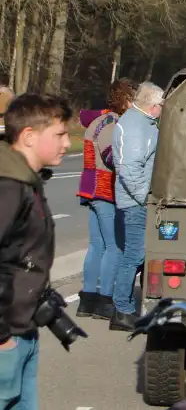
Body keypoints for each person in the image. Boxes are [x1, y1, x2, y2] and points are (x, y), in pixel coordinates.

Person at [0, 94, 72, 410]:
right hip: (7, 335)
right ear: (29, 137)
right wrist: (2, 338)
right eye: (59, 134)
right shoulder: (8, 186)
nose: (67, 143)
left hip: (23, 330)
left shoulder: (27, 181)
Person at [74, 78, 137, 321]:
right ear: (126, 99)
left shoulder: (98, 120)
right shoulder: (112, 124)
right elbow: (111, 157)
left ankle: (87, 300)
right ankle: (105, 300)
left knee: (97, 245)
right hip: (105, 190)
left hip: (92, 189)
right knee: (115, 246)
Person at [108, 82, 164, 331]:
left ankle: (129, 306)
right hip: (135, 202)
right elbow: (130, 168)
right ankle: (122, 309)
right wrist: (144, 197)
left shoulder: (142, 124)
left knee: (137, 255)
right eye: (162, 105)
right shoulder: (136, 127)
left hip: (136, 200)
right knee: (134, 255)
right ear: (154, 106)